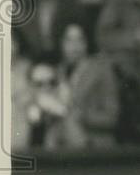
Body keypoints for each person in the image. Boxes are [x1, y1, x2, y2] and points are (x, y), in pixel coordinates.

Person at [43, 22, 120, 150]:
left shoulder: (101, 70)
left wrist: (82, 116)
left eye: (80, 40)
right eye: (69, 40)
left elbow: (112, 117)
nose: (74, 46)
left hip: (94, 145)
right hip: (60, 145)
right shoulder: (58, 72)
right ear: (61, 43)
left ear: (87, 43)